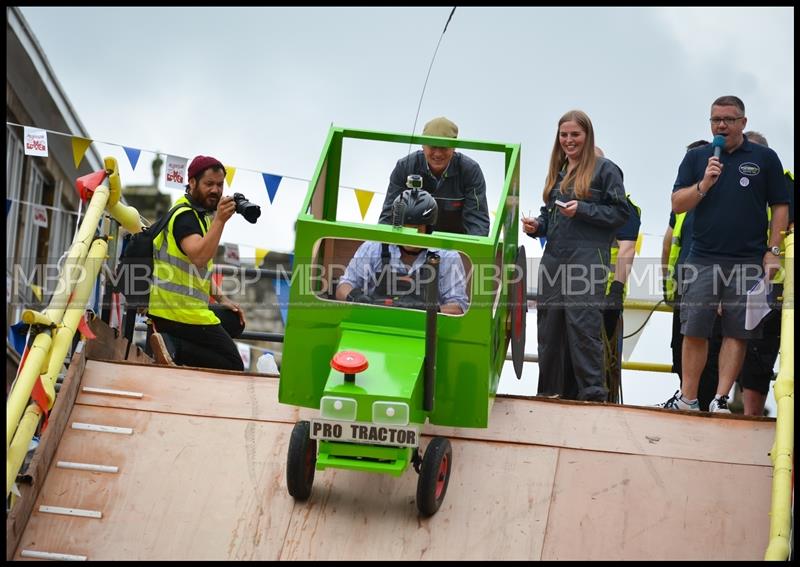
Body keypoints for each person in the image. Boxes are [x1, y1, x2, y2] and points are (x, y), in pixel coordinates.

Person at [659, 96, 789, 413]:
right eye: (716, 119)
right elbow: (677, 204)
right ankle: (688, 397)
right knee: (694, 328)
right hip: (702, 257)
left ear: (743, 122)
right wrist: (704, 184)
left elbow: (781, 206)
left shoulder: (765, 158)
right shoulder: (698, 158)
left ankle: (720, 398)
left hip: (747, 260)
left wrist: (773, 251)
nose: (721, 126)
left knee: (737, 332)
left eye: (728, 120)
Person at [522, 110, 630, 402]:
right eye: (564, 135)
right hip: (555, 258)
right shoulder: (558, 171)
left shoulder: (606, 169)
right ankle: (549, 393)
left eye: (575, 135)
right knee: (549, 327)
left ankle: (593, 396)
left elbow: (622, 213)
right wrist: (537, 226)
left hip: (587, 259)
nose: (569, 140)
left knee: (583, 327)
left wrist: (583, 209)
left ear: (587, 136)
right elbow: (550, 215)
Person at [148, 155, 246, 371]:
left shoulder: (199, 216)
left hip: (179, 309)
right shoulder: (186, 218)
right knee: (234, 365)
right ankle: (174, 346)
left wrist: (223, 298)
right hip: (175, 312)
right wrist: (220, 220)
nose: (215, 190)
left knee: (234, 320)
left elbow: (197, 271)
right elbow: (200, 258)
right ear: (192, 183)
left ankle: (174, 343)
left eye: (219, 185)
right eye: (208, 184)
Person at [562, 146, 641, 402]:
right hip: (573, 286)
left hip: (602, 291)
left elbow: (627, 249)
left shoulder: (622, 207)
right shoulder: (574, 200)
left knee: (599, 359)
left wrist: (615, 291)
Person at [734, 131, 793, 416]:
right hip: (753, 285)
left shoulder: (787, 185)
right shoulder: (736, 186)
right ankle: (749, 418)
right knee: (753, 355)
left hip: (783, 287)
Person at [660, 139, 722, 412]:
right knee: (680, 346)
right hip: (683, 283)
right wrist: (666, 282)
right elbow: (668, 241)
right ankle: (687, 399)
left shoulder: (721, 199)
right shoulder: (683, 205)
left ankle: (707, 403)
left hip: (714, 282)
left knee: (711, 346)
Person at [337, 188, 469, 315]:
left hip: (427, 332)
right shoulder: (373, 247)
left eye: (416, 228)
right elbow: (344, 286)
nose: (409, 234)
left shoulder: (447, 256)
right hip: (374, 325)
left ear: (428, 228)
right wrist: (354, 297)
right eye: (404, 228)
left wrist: (427, 311)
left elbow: (458, 306)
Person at [379, 116, 490, 236]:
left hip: (453, 247)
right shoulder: (404, 167)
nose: (438, 153)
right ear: (422, 145)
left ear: (454, 146)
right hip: (412, 245)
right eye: (432, 146)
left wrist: (470, 252)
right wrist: (385, 248)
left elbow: (477, 222)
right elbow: (389, 215)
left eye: (444, 147)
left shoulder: (470, 171)